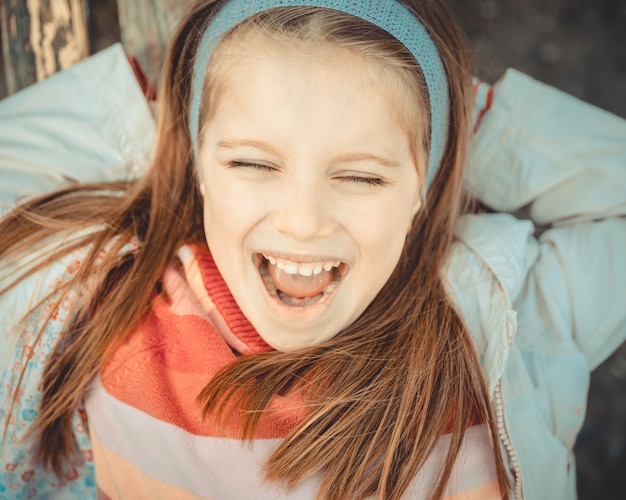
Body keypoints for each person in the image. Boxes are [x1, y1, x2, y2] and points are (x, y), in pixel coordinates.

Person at [0, 0, 624, 498]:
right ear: (196, 165)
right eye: (251, 162)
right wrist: (152, 117)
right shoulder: (102, 299)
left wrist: (466, 119)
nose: (302, 221)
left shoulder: (513, 327)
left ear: (422, 190)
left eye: (361, 176)